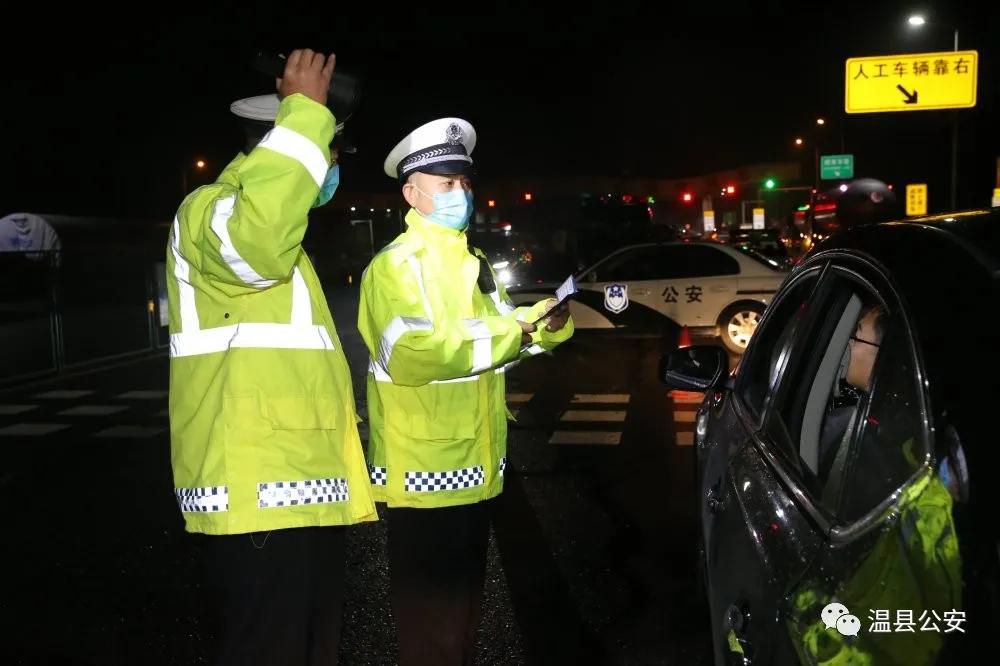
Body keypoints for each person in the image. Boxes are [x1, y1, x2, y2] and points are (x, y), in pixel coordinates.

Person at [166, 49, 376, 666]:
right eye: (323, 151)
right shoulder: (209, 213)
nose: (328, 167)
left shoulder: (282, 239)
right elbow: (254, 245)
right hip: (257, 496)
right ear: (280, 146)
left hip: (297, 490)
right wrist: (308, 113)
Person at [357, 117, 574, 665]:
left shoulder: (474, 265)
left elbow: (496, 342)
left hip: (477, 469)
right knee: (433, 634)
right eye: (446, 182)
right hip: (426, 476)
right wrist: (511, 331)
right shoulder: (395, 267)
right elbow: (411, 354)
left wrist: (542, 326)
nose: (461, 194)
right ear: (412, 193)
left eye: (465, 183)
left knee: (463, 624)